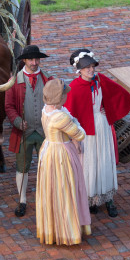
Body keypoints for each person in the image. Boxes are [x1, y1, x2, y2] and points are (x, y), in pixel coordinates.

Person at [63, 48, 130, 217]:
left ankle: (108, 200)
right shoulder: (74, 87)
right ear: (79, 69)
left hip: (102, 127)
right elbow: (69, 113)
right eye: (86, 67)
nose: (91, 70)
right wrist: (74, 136)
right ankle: (91, 199)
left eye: (92, 66)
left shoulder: (101, 80)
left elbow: (119, 94)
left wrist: (108, 110)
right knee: (88, 164)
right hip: (85, 132)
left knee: (104, 161)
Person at [36, 78, 91, 245]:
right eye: (64, 95)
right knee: (65, 189)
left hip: (48, 150)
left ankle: (52, 229)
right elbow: (80, 134)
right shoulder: (60, 117)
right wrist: (73, 120)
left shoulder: (47, 110)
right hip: (61, 154)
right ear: (59, 98)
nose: (67, 97)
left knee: (51, 190)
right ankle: (67, 231)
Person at [5, 44, 53, 217]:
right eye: (31, 59)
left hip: (44, 132)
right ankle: (22, 199)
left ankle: (46, 198)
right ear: (24, 60)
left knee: (47, 166)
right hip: (23, 133)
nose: (35, 62)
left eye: (37, 59)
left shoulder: (48, 79)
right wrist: (17, 121)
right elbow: (9, 106)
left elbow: (56, 102)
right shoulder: (14, 82)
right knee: (22, 167)